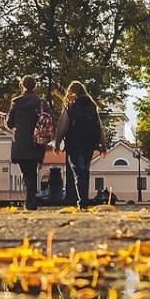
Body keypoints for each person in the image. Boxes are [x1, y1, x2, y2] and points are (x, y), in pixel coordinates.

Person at [57, 80, 103, 210]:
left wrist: (57, 143)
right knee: (85, 170)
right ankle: (84, 200)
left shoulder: (70, 104)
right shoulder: (91, 105)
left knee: (78, 172)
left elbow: (63, 125)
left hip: (74, 143)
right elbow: (99, 126)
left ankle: (82, 202)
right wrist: (103, 146)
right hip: (89, 143)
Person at [6, 76, 49, 210]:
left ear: (22, 85)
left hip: (21, 141)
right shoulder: (41, 102)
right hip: (37, 140)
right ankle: (32, 198)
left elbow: (10, 123)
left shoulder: (16, 102)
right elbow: (50, 117)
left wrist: (5, 118)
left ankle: (30, 198)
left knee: (25, 172)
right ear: (35, 86)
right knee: (33, 170)